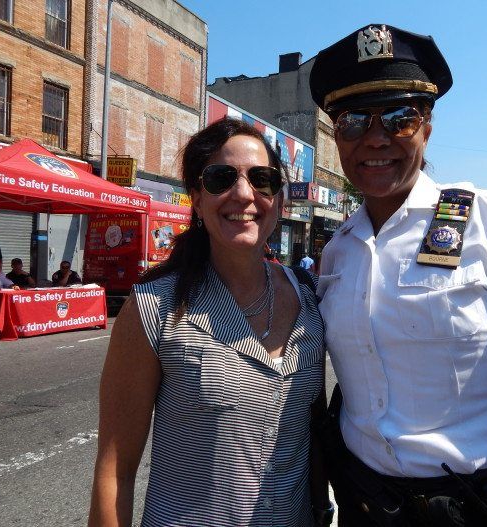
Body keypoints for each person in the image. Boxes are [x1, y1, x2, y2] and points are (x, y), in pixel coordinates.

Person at [310, 24, 487, 526]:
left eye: (400, 116)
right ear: (336, 134)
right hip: (363, 506)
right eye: (353, 120)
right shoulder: (338, 250)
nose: (375, 138)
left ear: (427, 126)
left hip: (479, 509)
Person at [89, 118, 331, 526]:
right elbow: (115, 469)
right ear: (197, 200)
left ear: (279, 201)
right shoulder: (155, 307)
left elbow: (315, 432)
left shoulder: (309, 297)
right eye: (222, 178)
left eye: (262, 179)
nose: (243, 193)